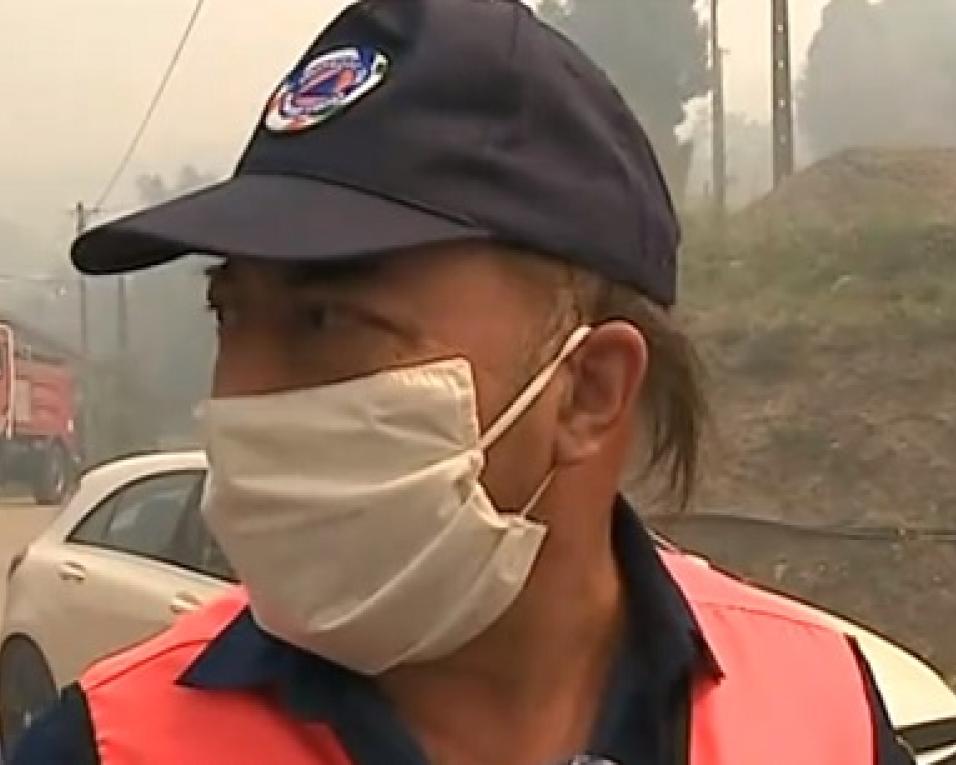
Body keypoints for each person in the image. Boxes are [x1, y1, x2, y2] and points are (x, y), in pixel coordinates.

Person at [12, 0, 915, 763]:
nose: (245, 396)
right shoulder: (107, 744)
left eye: (327, 321)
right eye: (232, 315)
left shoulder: (823, 712)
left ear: (590, 390)